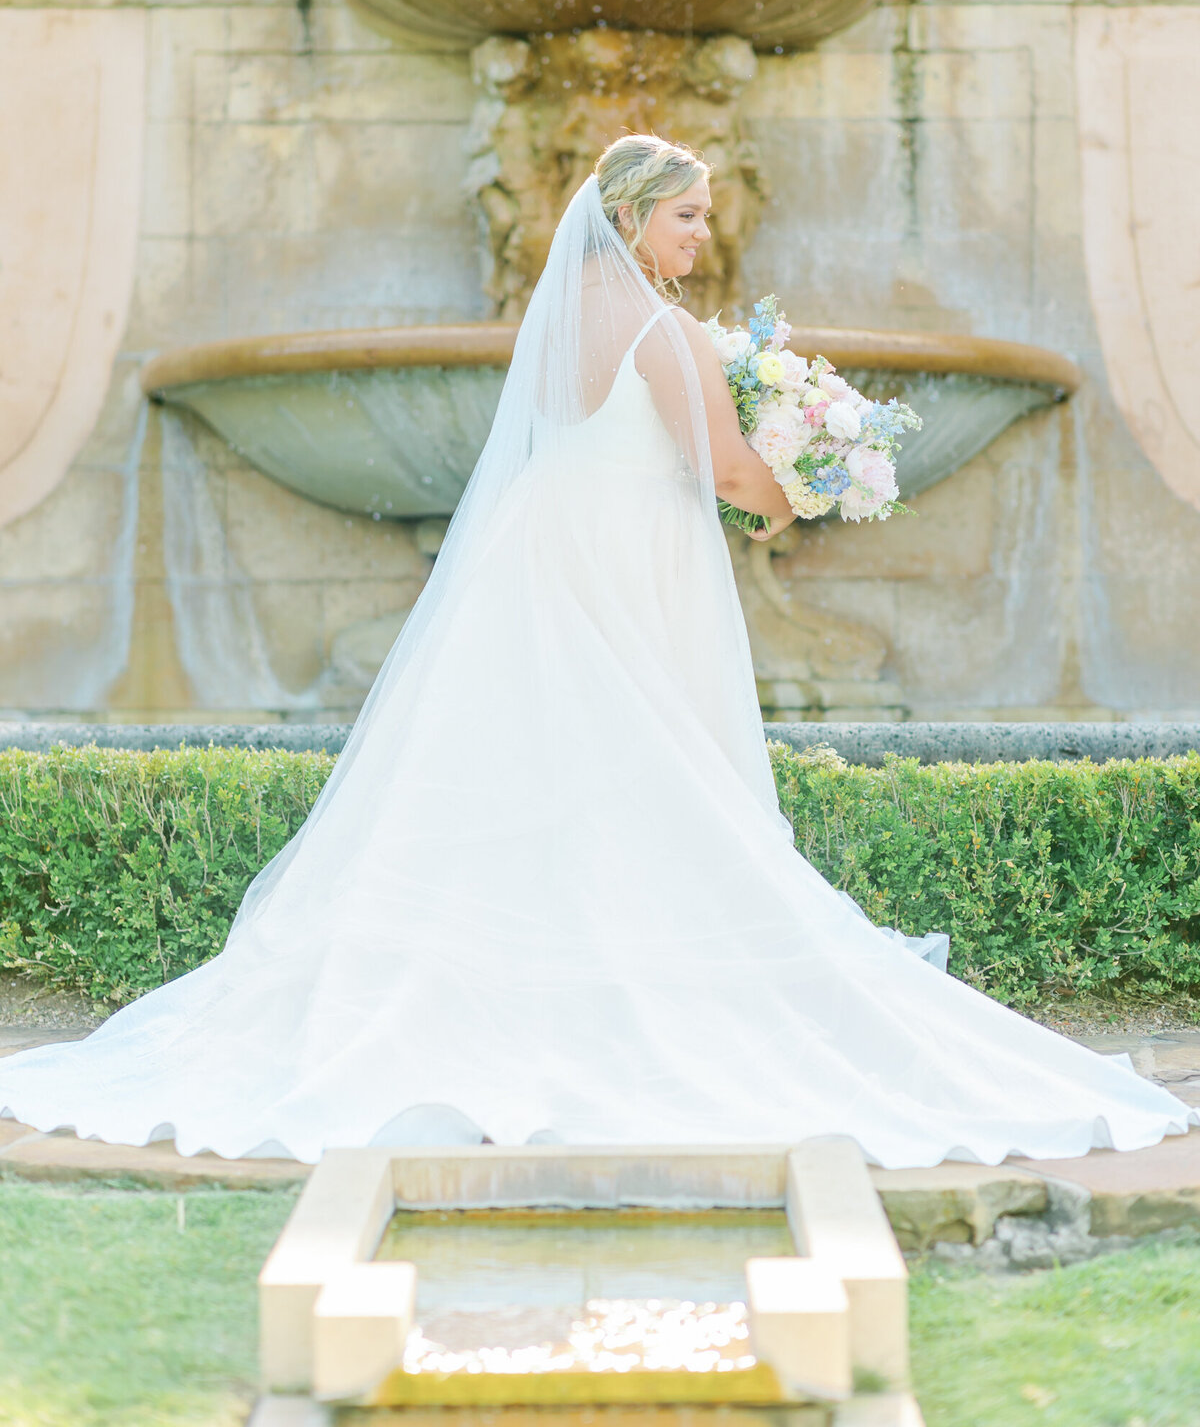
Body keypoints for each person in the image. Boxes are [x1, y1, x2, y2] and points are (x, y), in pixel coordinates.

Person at [0, 135, 1193, 1166]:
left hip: (539, 556)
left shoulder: (561, 322)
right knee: (647, 765)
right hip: (629, 564)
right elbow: (723, 473)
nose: (699, 237)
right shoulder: (669, 336)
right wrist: (806, 489)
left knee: (529, 765)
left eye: (704, 216)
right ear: (629, 219)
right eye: (685, 216)